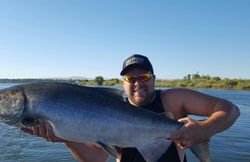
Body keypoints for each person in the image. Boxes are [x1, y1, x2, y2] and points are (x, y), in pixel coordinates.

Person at [22, 54, 240, 162]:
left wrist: (205, 129)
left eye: (144, 76)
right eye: (130, 78)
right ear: (122, 83)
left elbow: (229, 109)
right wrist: (65, 137)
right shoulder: (105, 110)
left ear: (154, 79)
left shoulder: (173, 99)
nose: (138, 83)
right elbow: (97, 159)